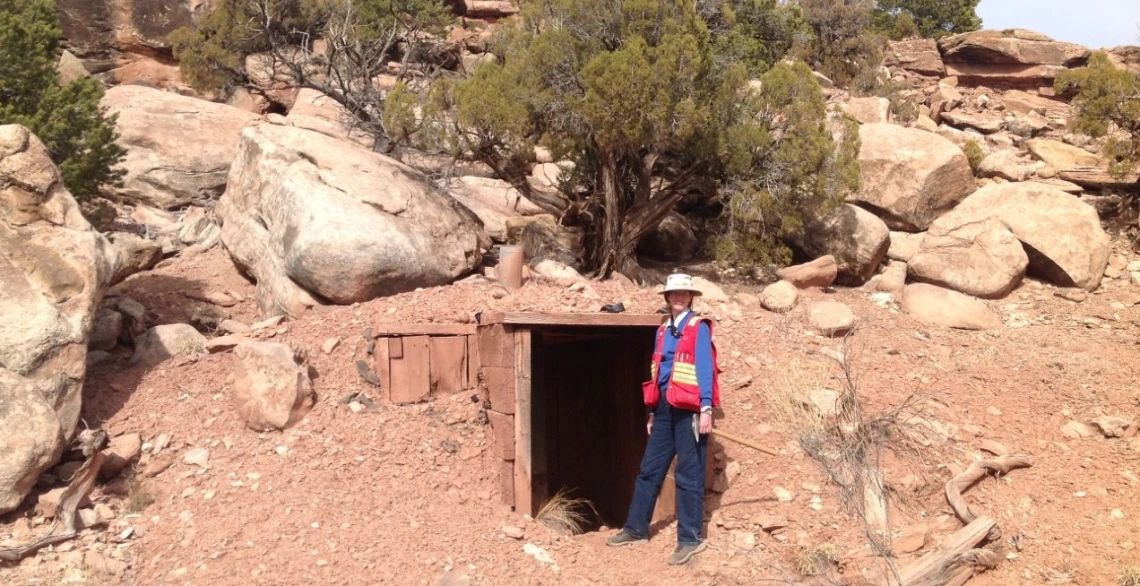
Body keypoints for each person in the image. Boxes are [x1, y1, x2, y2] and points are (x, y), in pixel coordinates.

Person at [607, 273, 720, 565]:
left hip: (691, 409)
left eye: (684, 293)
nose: (679, 297)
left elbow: (705, 368)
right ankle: (635, 529)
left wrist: (706, 408)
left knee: (688, 474)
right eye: (675, 293)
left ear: (690, 297)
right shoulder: (661, 331)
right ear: (667, 298)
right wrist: (653, 411)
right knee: (649, 469)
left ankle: (689, 539)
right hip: (666, 410)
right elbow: (658, 373)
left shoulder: (698, 327)